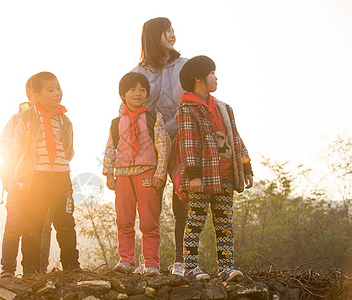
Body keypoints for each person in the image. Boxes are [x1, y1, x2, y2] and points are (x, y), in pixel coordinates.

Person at [176, 55, 254, 282]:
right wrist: (193, 175)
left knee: (224, 223)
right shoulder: (187, 110)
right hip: (201, 178)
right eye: (212, 73)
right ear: (198, 78)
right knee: (195, 222)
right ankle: (191, 267)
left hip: (226, 176)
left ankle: (226, 268)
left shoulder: (224, 108)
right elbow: (188, 144)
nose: (216, 77)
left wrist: (247, 168)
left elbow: (236, 139)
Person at [1, 71, 80, 274]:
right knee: (33, 225)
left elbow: (69, 151)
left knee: (65, 223)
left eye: (58, 88)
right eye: (50, 90)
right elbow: (13, 148)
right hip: (35, 179)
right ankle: (31, 268)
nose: (57, 93)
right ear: (36, 96)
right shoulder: (24, 118)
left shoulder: (65, 121)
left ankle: (71, 264)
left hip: (61, 177)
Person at [129, 17, 188, 276]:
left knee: (183, 200)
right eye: (167, 31)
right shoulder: (139, 72)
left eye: (173, 30)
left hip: (182, 140)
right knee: (151, 203)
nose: (172, 34)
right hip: (150, 145)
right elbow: (129, 107)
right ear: (155, 36)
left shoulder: (185, 66)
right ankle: (149, 262)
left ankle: (181, 261)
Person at [103, 72, 171, 276]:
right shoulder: (116, 123)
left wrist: (160, 173)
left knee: (149, 221)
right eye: (132, 89)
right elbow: (110, 148)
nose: (138, 93)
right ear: (123, 94)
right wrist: (108, 173)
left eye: (142, 89)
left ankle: (151, 262)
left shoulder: (153, 118)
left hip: (147, 173)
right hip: (122, 175)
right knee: (123, 220)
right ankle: (126, 260)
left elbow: (163, 146)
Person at [0, 76, 54, 278]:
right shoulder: (17, 119)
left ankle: (39, 269)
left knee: (43, 226)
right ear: (31, 94)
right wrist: (11, 174)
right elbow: (4, 147)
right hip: (19, 181)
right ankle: (8, 270)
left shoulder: (55, 118)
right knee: (14, 224)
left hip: (46, 182)